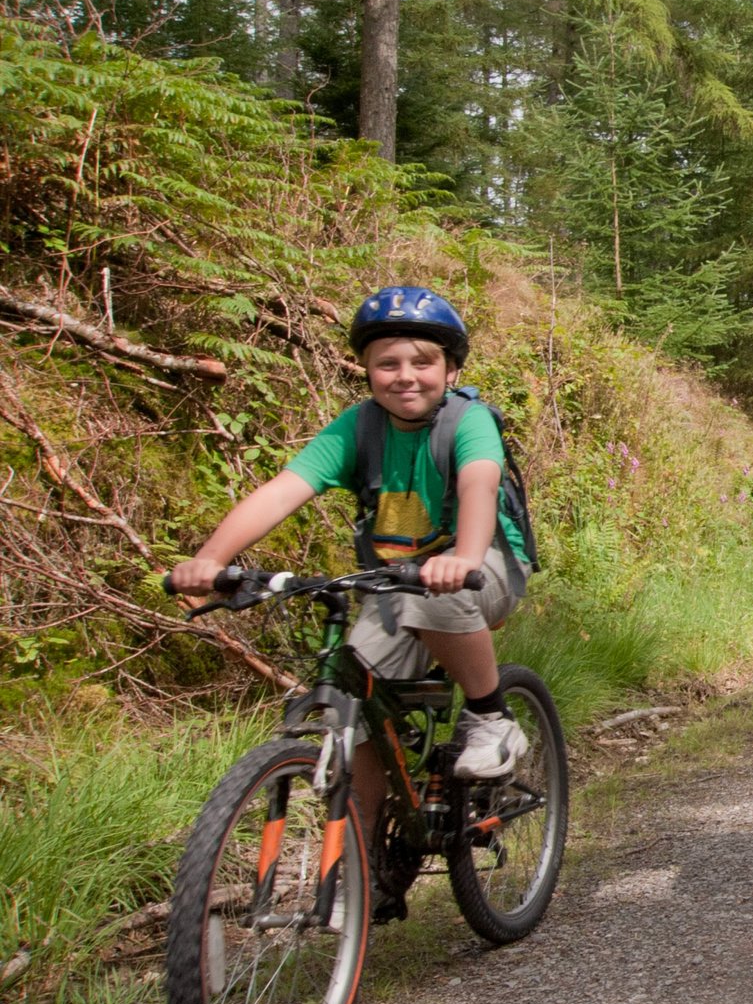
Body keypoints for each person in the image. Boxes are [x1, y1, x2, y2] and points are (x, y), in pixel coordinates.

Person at [169, 287, 535, 784]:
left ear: (450, 372)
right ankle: (363, 854)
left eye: (422, 362)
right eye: (387, 364)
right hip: (393, 579)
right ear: (366, 370)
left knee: (432, 595)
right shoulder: (358, 428)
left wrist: (464, 557)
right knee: (351, 702)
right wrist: (210, 559)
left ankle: (490, 717)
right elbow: (281, 493)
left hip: (482, 566)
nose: (405, 375)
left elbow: (478, 485)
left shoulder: (467, 422)